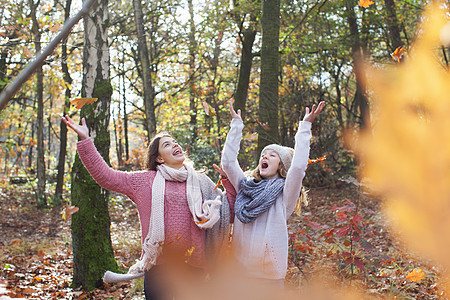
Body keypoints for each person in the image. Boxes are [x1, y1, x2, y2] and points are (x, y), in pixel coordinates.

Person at [62, 115, 236, 300]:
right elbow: (106, 176)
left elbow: (229, 213)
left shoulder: (202, 182)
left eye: (175, 142)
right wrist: (86, 140)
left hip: (194, 267)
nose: (175, 145)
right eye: (167, 145)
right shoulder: (144, 181)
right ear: (159, 159)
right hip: (158, 268)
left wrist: (228, 182)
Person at [220, 99, 325, 287]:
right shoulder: (244, 187)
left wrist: (305, 127)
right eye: (262, 155)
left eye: (271, 155)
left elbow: (299, 167)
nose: (264, 157)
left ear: (281, 166)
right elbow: (228, 163)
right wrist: (236, 125)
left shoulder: (285, 195)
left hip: (269, 277)